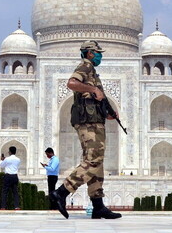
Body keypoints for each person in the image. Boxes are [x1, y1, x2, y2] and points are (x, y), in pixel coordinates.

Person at [50, 40, 122, 219]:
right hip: (88, 122)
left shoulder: (93, 71)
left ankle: (98, 206)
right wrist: (92, 89)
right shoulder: (85, 66)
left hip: (94, 120)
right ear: (90, 53)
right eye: (98, 53)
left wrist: (107, 114)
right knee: (92, 160)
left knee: (96, 163)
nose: (100, 56)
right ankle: (62, 192)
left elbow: (92, 99)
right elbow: (72, 83)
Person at [0, 146, 21, 210]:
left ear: (10, 152)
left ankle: (3, 207)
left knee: (4, 192)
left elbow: (1, 165)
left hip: (8, 176)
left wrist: (2, 160)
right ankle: (16, 206)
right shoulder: (18, 159)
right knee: (15, 192)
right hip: (14, 176)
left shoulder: (7, 159)